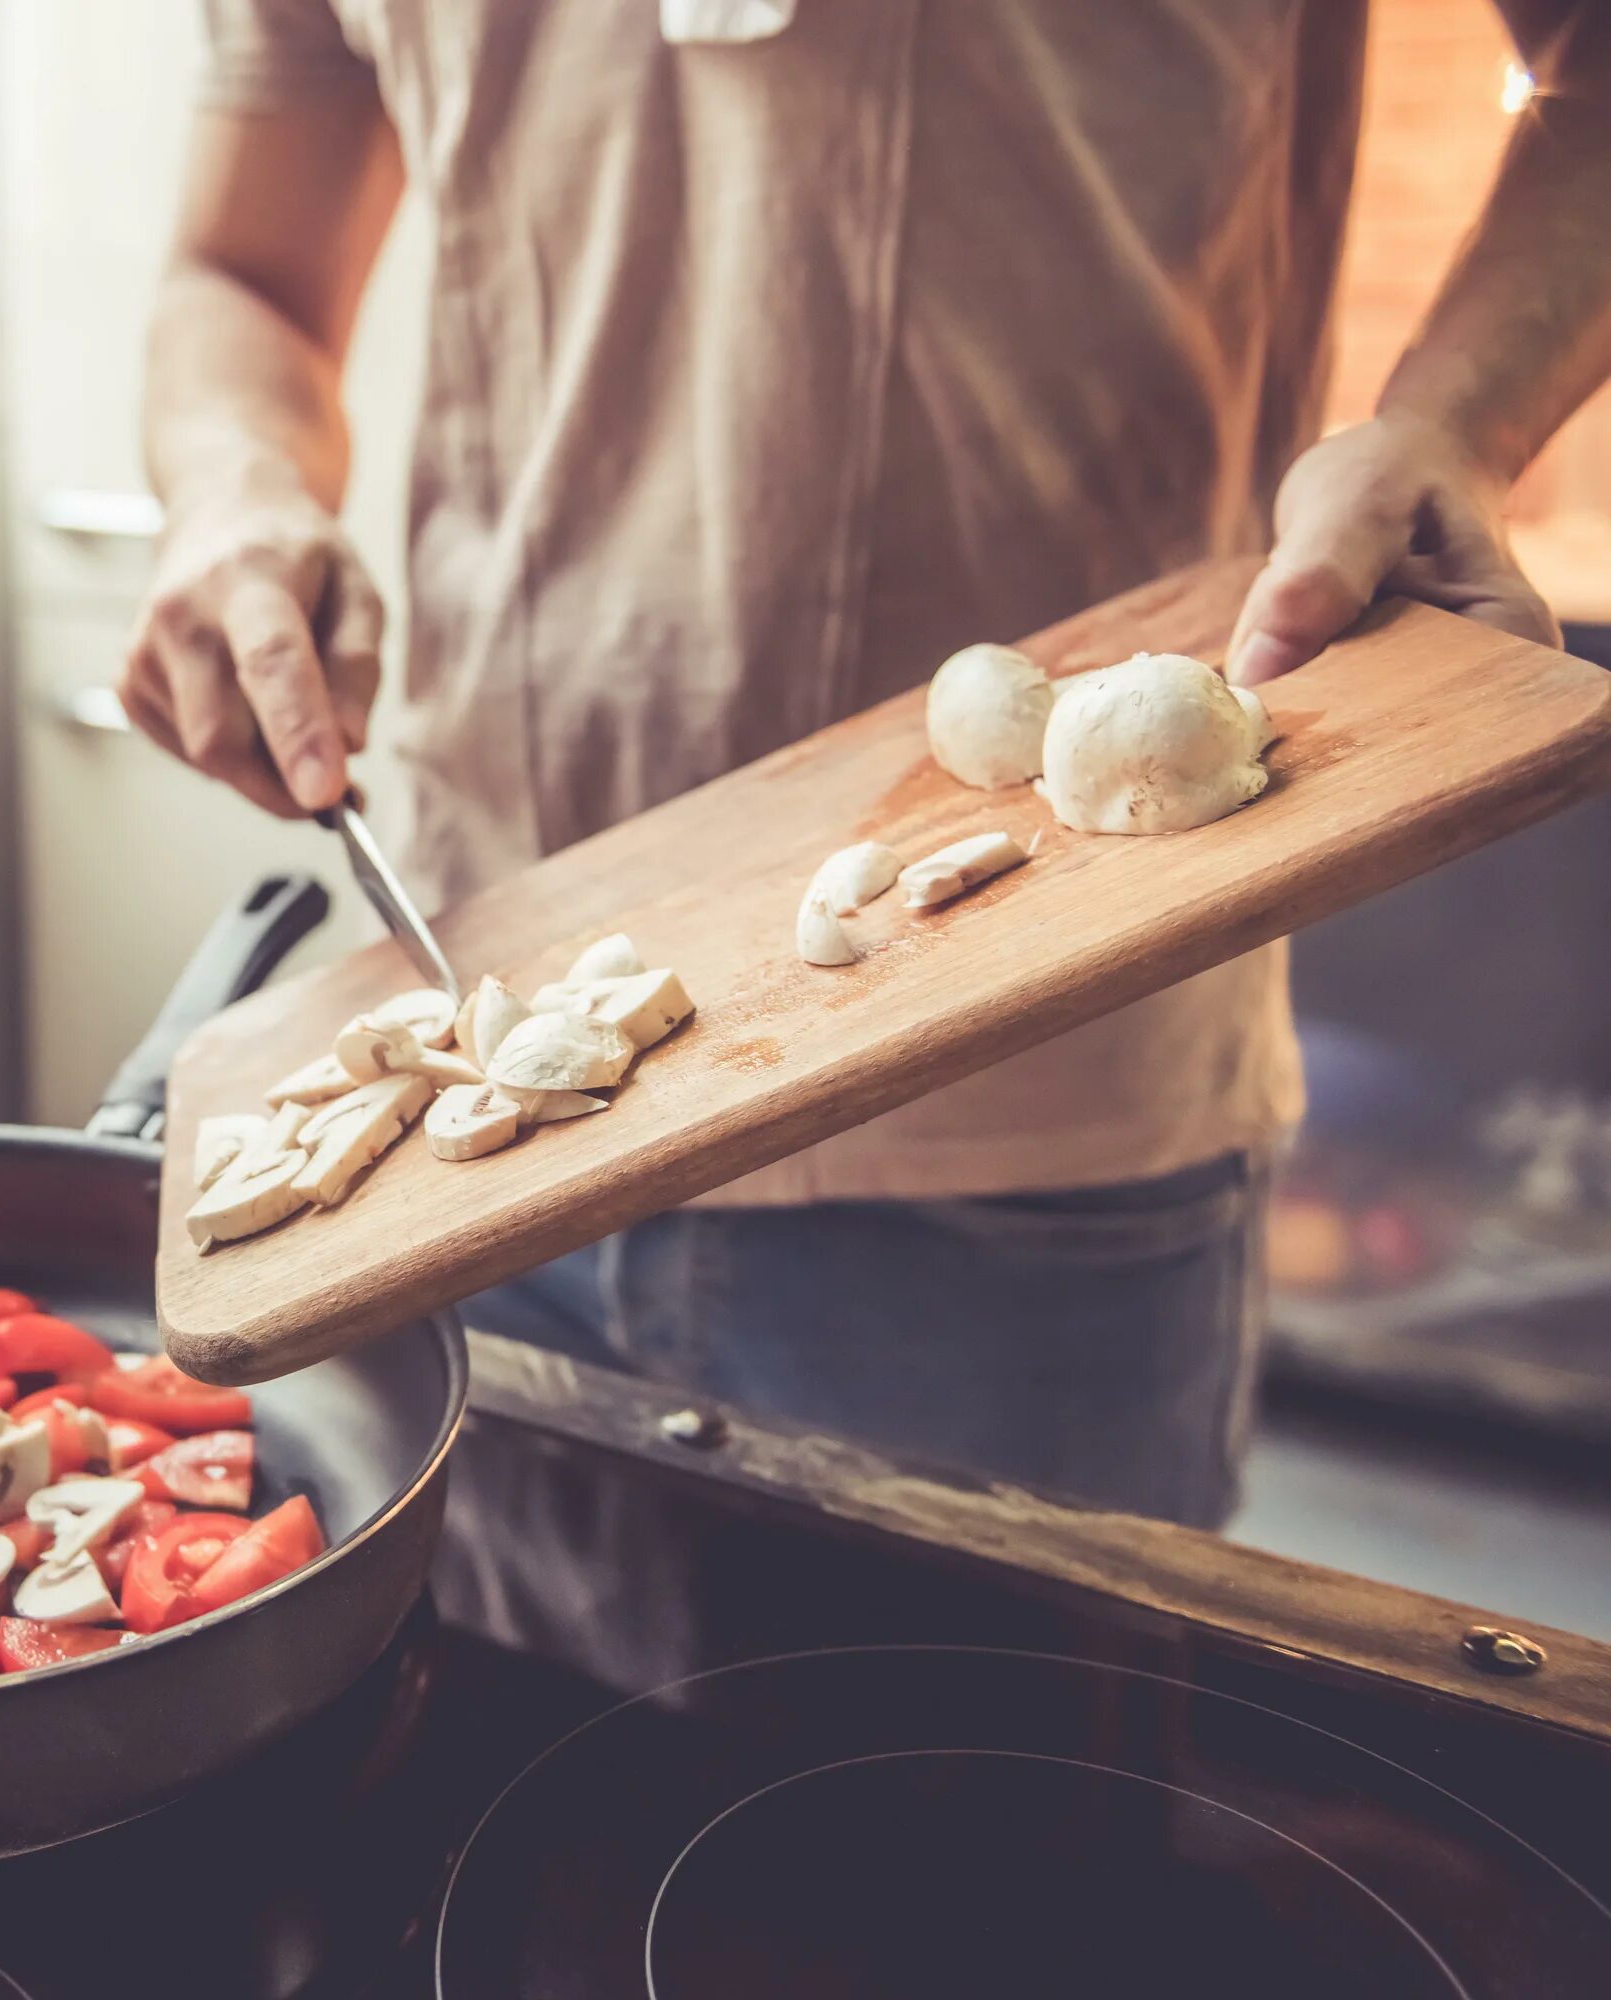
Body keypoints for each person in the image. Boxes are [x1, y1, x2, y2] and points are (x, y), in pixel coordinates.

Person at [124, 0, 1611, 1551]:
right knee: (527, 1763)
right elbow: (241, 272)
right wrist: (231, 489)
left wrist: (1461, 421)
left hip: (1037, 1104)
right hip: (473, 1049)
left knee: (992, 1786)